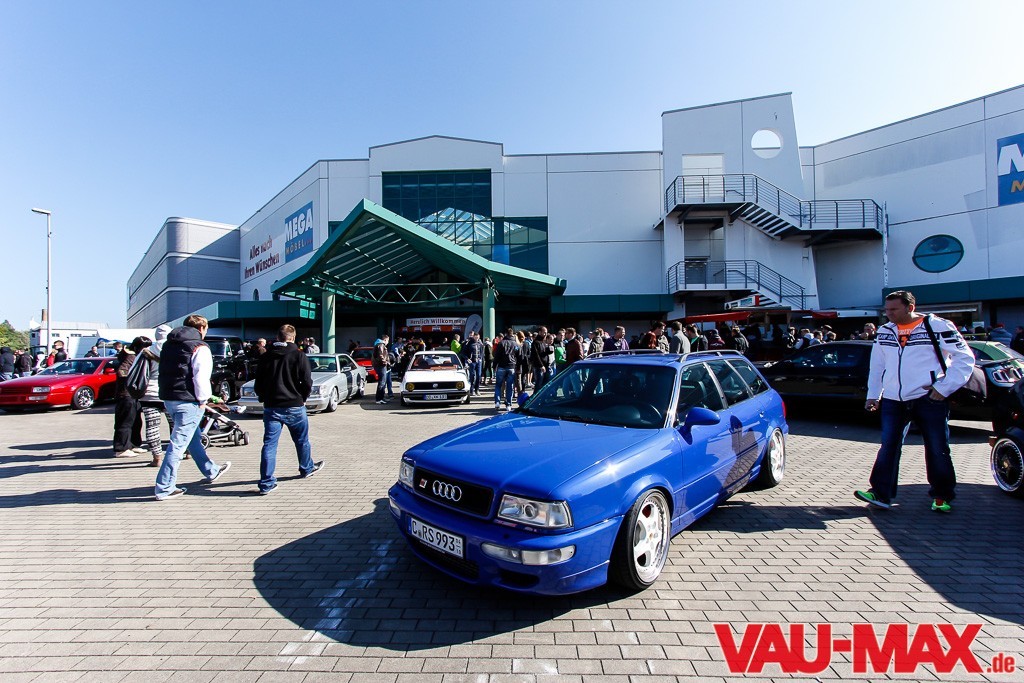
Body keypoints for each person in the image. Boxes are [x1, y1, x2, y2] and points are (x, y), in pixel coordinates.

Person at [855, 290, 975, 513]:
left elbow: (965, 358)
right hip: (893, 398)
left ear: (910, 307)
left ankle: (941, 496)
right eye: (886, 310)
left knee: (937, 447)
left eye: (894, 309)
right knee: (888, 446)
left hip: (928, 398)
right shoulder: (885, 331)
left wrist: (943, 388)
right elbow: (877, 365)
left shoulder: (938, 326)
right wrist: (874, 394)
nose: (889, 314)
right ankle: (880, 493)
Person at [153, 315, 231, 500]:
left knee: (192, 438)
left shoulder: (169, 344)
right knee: (178, 444)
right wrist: (203, 399)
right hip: (189, 401)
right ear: (202, 328)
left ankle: (211, 470)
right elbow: (200, 376)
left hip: (170, 398)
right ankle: (164, 487)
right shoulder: (199, 347)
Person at [254, 324, 323, 495]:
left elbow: (258, 382)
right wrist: (303, 398)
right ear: (293, 338)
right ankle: (306, 468)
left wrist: (263, 397)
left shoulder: (266, 356)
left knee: (269, 445)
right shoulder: (299, 355)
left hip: (272, 406)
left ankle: (266, 483)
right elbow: (307, 381)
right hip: (294, 405)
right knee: (302, 440)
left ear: (278, 337)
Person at [139, 325, 172, 467]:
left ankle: (157, 458)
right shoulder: (174, 350)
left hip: (149, 394)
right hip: (170, 393)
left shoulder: (146, 351)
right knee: (176, 425)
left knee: (152, 427)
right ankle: (184, 452)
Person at [112, 336, 150, 457]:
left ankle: (133, 444)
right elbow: (122, 371)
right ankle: (121, 448)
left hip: (133, 394)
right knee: (125, 422)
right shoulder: (130, 357)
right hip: (126, 394)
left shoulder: (134, 356)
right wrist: (133, 379)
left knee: (136, 421)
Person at [493, 328, 518, 411]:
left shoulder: (501, 343)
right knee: (510, 386)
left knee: (498, 385)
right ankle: (508, 404)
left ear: (506, 334)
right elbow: (519, 355)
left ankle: (497, 402)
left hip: (501, 366)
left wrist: (494, 366)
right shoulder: (515, 344)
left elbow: (497, 356)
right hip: (512, 366)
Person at [373, 334, 393, 404]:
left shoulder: (378, 344)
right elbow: (380, 355)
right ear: (385, 340)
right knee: (382, 382)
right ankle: (379, 399)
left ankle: (381, 397)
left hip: (380, 365)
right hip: (381, 366)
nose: (388, 342)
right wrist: (385, 363)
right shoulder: (381, 345)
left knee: (382, 382)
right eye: (388, 340)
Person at [464, 332, 484, 396]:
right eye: (475, 337)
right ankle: (471, 390)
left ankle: (477, 389)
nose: (477, 338)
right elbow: (463, 352)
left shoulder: (480, 343)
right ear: (473, 337)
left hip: (478, 362)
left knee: (478, 376)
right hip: (472, 362)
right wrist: (467, 359)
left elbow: (482, 352)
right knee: (472, 376)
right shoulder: (469, 343)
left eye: (478, 337)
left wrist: (480, 358)